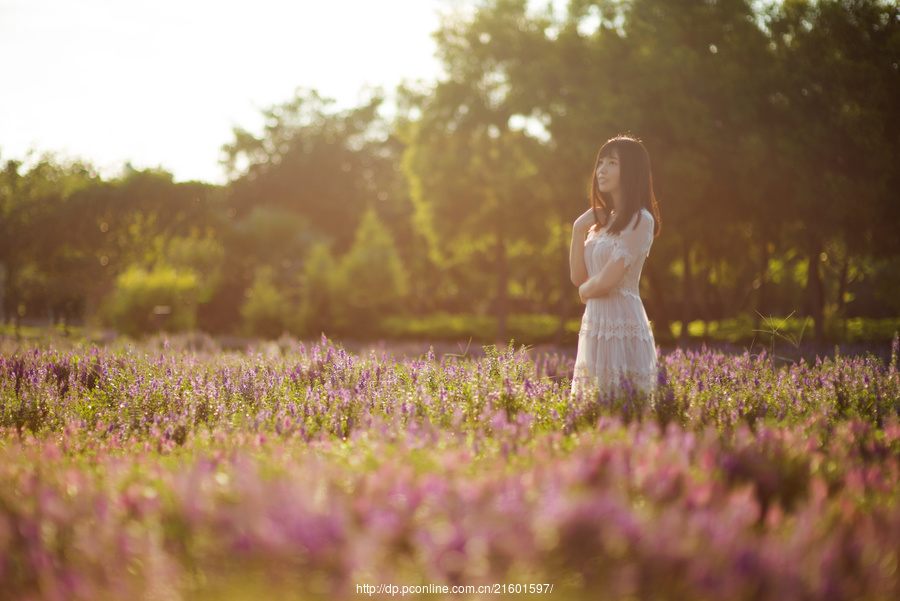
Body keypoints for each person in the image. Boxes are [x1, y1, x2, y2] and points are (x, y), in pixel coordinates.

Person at [569, 135, 661, 397]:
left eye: (612, 163)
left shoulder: (640, 220)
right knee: (591, 407)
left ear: (630, 170)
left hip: (622, 322)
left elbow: (607, 280)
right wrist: (578, 230)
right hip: (596, 324)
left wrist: (585, 293)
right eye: (600, 163)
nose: (602, 170)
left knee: (623, 405)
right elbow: (578, 276)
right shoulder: (598, 224)